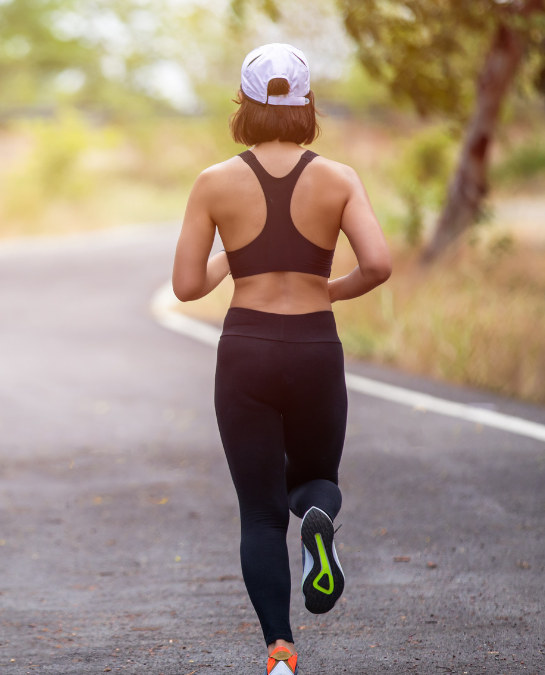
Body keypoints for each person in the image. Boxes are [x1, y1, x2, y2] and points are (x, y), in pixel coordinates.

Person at [171, 43, 392, 675]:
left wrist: (236, 256)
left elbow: (187, 286)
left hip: (247, 352)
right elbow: (377, 264)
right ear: (307, 104)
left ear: (244, 106)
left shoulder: (214, 182)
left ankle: (280, 652)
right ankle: (320, 519)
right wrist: (332, 288)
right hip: (315, 348)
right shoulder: (338, 178)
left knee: (261, 512)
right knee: (314, 480)